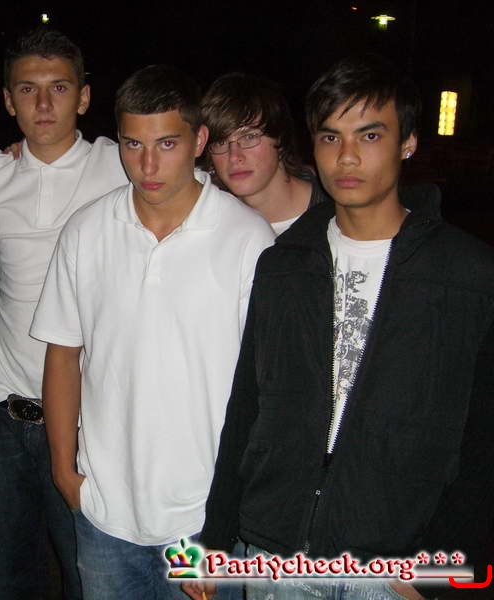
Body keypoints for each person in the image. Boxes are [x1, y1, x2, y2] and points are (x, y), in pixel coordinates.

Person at [189, 55, 494, 600]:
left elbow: (482, 438)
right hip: (275, 553)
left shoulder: (465, 272)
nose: (347, 156)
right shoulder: (284, 264)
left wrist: (445, 571)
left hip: (391, 566)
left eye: (369, 135)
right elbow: (248, 408)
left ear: (408, 143)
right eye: (330, 137)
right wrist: (214, 540)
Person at [30, 64, 274, 600]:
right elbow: (63, 353)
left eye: (166, 143)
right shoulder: (86, 230)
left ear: (199, 140)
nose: (147, 164)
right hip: (104, 512)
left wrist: (230, 517)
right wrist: (64, 472)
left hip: (204, 518)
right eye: (132, 144)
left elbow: (266, 390)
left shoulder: (248, 239)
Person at [0, 28, 126, 600]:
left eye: (58, 88)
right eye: (27, 89)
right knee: (13, 575)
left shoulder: (122, 164)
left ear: (83, 97)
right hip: (0, 409)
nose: (42, 104)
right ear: (8, 101)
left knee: (87, 574)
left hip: (88, 418)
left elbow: (211, 189)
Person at [201, 73, 326, 235]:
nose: (234, 156)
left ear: (280, 138)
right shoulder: (208, 221)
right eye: (220, 142)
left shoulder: (336, 210)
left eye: (249, 137)